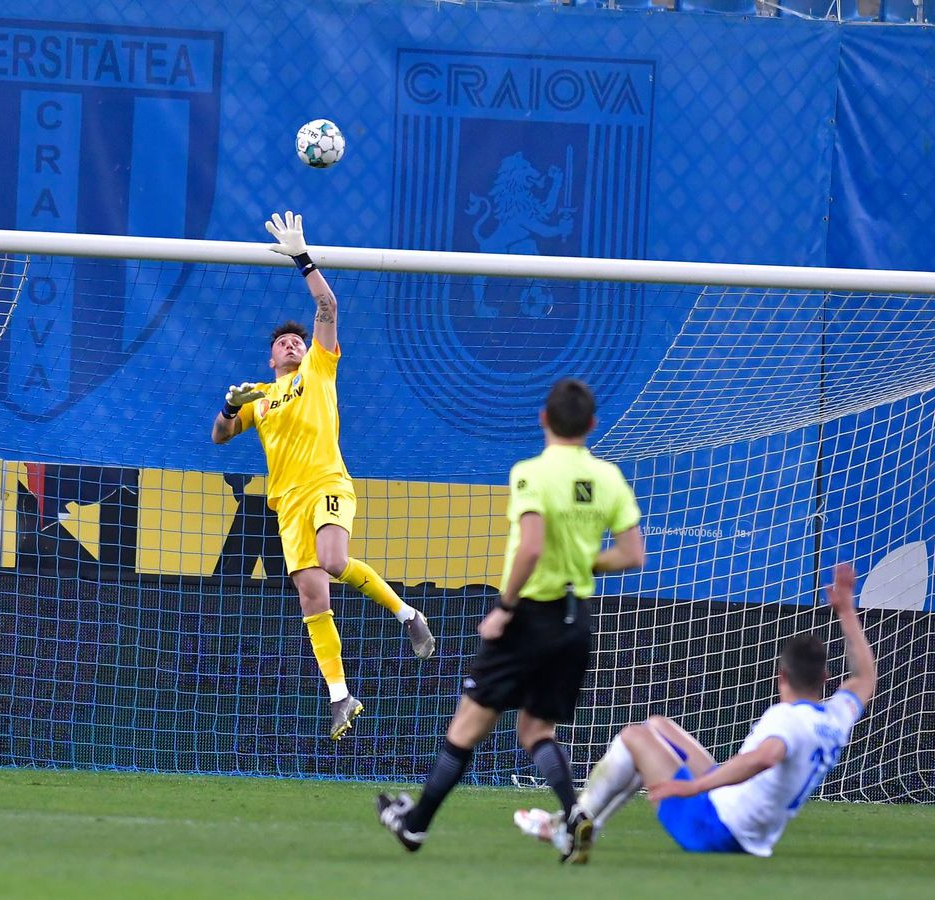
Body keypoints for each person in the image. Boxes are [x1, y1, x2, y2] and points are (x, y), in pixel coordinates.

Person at [377, 377, 645, 860]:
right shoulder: (608, 478)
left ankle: (414, 827)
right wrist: (584, 561)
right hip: (575, 619)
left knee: (465, 729)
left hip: (528, 616)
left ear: (543, 418)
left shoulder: (531, 472)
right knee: (537, 731)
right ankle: (576, 816)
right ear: (592, 425)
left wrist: (503, 609)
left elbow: (534, 545)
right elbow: (632, 554)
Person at [212, 210, 436, 742]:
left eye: (297, 340)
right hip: (287, 505)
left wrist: (301, 256)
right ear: (270, 358)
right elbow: (219, 437)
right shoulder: (261, 398)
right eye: (283, 343)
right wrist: (228, 405)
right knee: (313, 598)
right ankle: (340, 697)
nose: (292, 344)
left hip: (328, 484)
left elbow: (327, 305)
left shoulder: (319, 365)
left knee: (333, 563)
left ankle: (408, 615)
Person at [514, 562, 875, 861]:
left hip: (714, 829)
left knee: (634, 738)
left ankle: (569, 826)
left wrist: (692, 787)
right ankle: (581, 827)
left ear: (781, 675)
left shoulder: (788, 719)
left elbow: (764, 757)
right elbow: (864, 677)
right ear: (826, 678)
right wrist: (846, 611)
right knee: (657, 726)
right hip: (743, 821)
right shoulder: (834, 718)